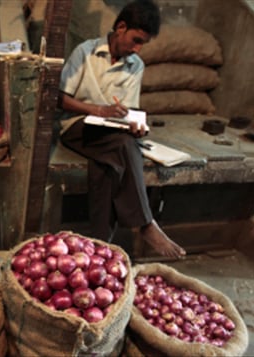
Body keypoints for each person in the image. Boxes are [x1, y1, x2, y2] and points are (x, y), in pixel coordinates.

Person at [58, 0, 185, 258]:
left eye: (143, 44)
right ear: (121, 27)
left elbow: (128, 110)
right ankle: (145, 223)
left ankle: (100, 247)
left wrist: (135, 126)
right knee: (123, 146)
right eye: (136, 40)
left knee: (110, 164)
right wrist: (97, 110)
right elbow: (58, 98)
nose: (137, 49)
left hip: (111, 136)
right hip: (76, 128)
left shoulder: (135, 65)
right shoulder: (86, 52)